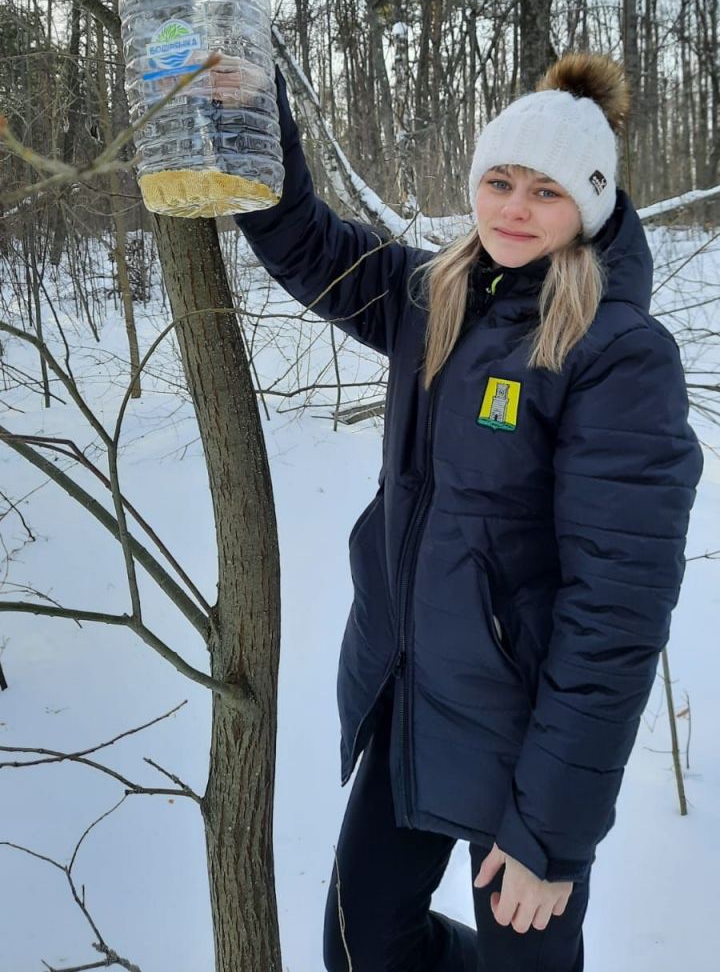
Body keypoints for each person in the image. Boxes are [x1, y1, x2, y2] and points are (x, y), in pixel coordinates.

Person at [236, 53, 703, 972]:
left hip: (533, 741)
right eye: (499, 181)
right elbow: (306, 241)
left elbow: (618, 612)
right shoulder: (437, 298)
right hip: (415, 702)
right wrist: (250, 105)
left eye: (546, 191)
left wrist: (552, 836)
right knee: (363, 949)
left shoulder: (618, 355)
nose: (514, 209)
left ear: (592, 208)